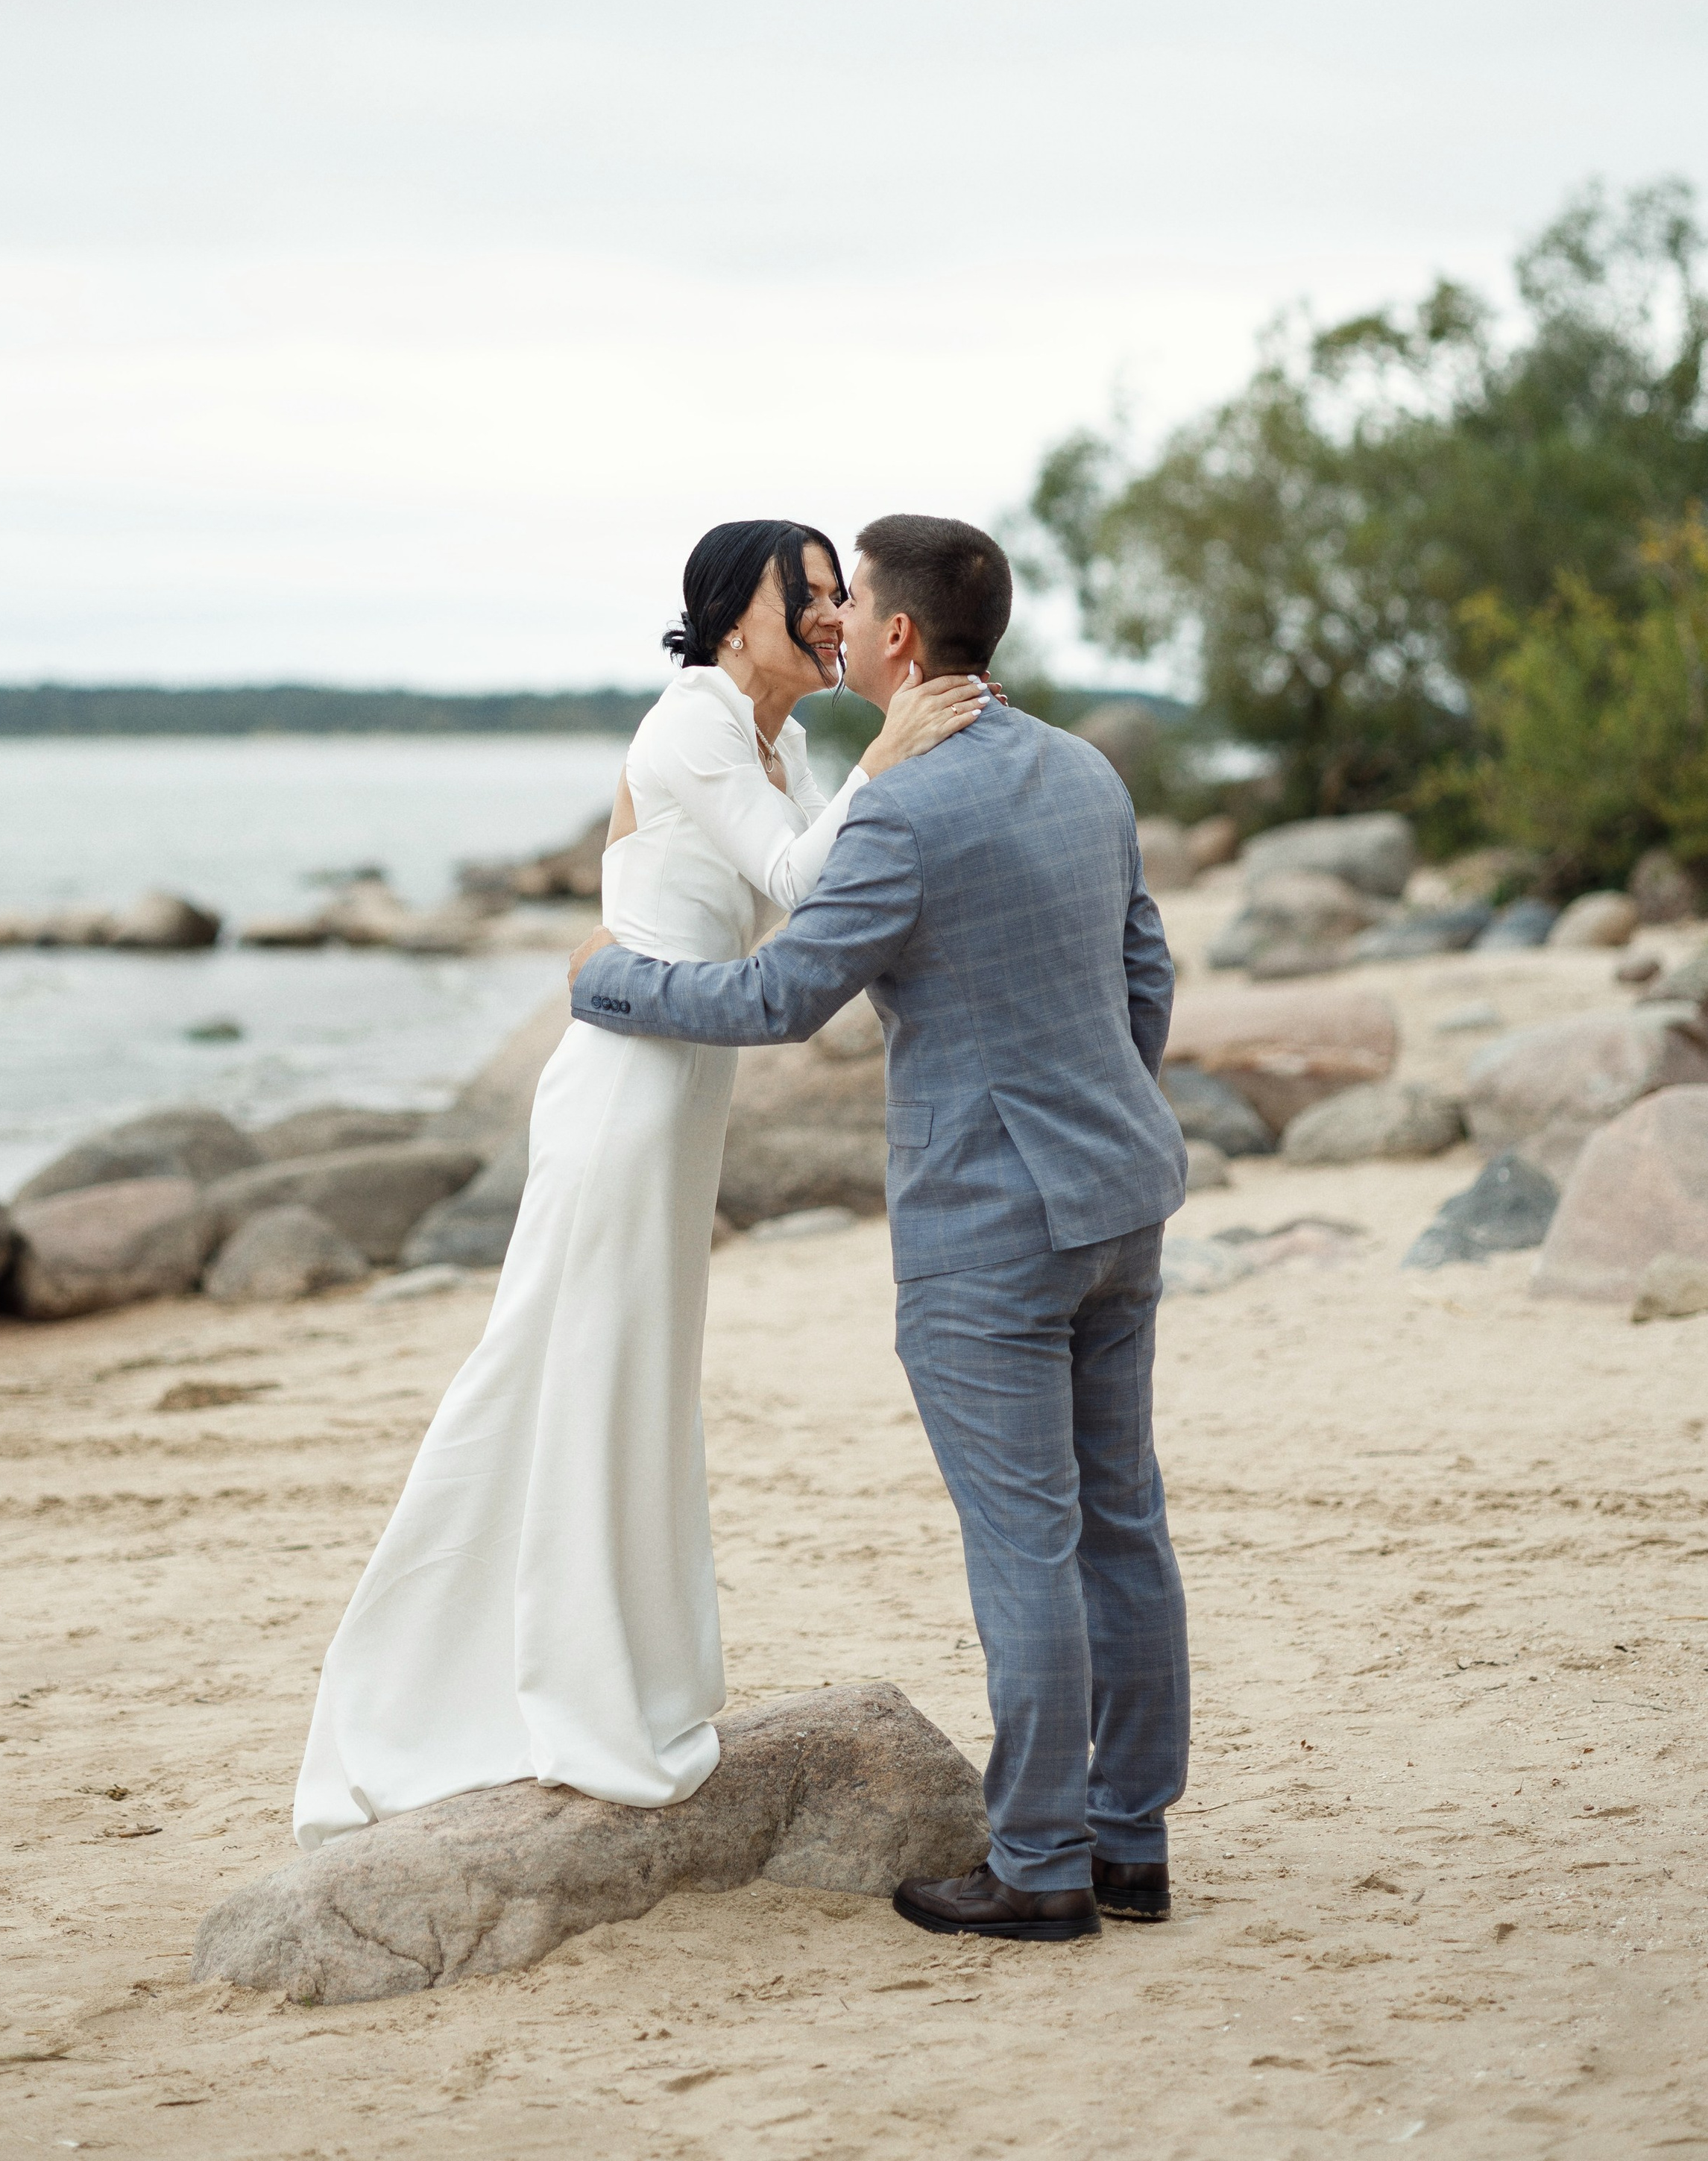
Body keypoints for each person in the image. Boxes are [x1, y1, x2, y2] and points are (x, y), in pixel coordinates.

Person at [292, 518, 985, 1846]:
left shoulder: (773, 740)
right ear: (740, 615)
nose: (840, 617)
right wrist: (894, 753)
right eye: (817, 595)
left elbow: (782, 890)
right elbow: (794, 879)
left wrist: (867, 767)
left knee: (632, 1375)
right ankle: (460, 1701)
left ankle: (616, 1677)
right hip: (623, 1091)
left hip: (680, 1087)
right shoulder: (693, 723)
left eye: (846, 596)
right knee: (559, 1366)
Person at [569, 512, 1190, 1943]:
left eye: (855, 609)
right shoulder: (1086, 769)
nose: (835, 623)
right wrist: (1101, 1103)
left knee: (1028, 1547)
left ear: (902, 640)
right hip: (1122, 1199)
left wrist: (612, 984)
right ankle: (1129, 1844)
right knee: (1124, 1524)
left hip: (991, 1224)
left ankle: (1038, 1869)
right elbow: (1142, 967)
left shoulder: (904, 812)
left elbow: (782, 1001)